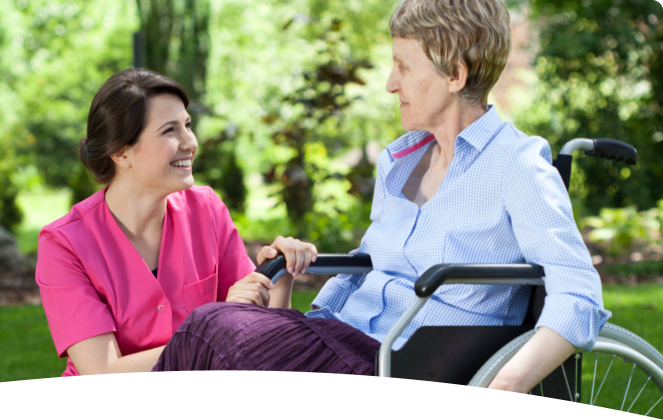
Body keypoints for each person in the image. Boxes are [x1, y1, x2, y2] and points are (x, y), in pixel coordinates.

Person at [153, 0, 609, 394]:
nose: (391, 83)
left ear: (455, 74)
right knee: (217, 329)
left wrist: (508, 383)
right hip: (338, 335)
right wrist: (287, 305)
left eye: (404, 67)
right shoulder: (402, 161)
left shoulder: (516, 165)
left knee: (210, 327)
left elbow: (579, 292)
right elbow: (364, 268)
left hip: (403, 358)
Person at [35, 68, 318, 377]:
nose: (190, 142)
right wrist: (212, 328)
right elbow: (101, 370)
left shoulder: (207, 209)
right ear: (120, 152)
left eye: (187, 125)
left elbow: (259, 342)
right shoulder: (64, 244)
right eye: (169, 130)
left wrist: (279, 273)